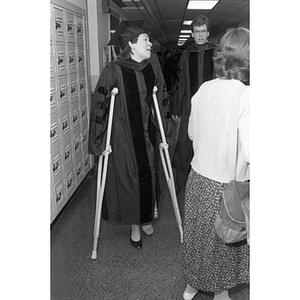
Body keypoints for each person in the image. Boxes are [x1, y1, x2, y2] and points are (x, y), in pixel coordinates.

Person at [88, 25, 174, 250]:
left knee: (151, 175)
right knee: (133, 180)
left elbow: (161, 95)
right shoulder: (113, 70)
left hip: (149, 132)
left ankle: (146, 217)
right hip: (125, 135)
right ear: (131, 44)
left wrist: (165, 128)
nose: (150, 44)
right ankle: (136, 225)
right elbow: (100, 104)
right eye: (145, 40)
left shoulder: (151, 66)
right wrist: (98, 141)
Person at [182, 27, 250, 300]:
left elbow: (190, 133)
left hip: (198, 178)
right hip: (226, 184)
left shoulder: (204, 88)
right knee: (223, 243)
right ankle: (221, 293)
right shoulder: (246, 95)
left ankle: (192, 286)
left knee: (199, 239)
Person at [170, 15, 218, 192]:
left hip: (211, 108)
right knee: (184, 143)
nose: (200, 35)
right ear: (192, 33)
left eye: (203, 31)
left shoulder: (216, 52)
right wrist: (176, 106)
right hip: (190, 107)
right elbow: (180, 81)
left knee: (209, 143)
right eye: (197, 32)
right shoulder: (187, 53)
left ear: (208, 32)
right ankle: (181, 185)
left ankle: (208, 184)